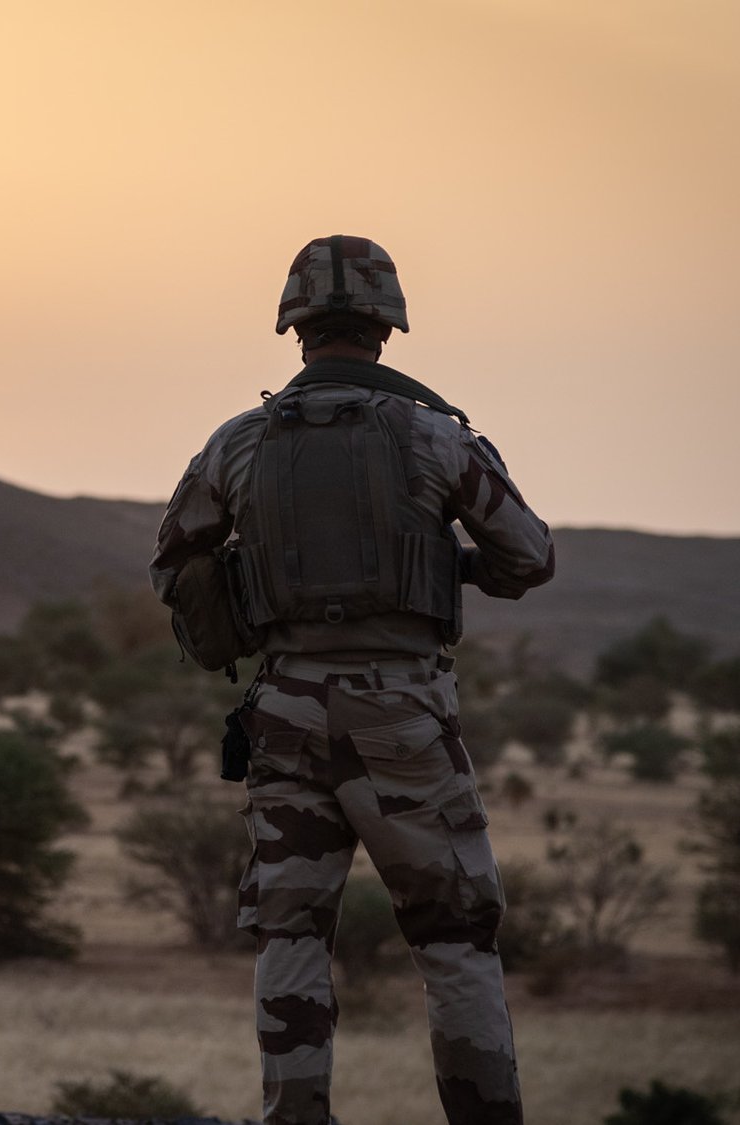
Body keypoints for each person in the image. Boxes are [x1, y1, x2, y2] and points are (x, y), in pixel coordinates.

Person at [149, 235, 554, 1125]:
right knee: (454, 941)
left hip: (284, 709)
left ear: (294, 325)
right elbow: (529, 556)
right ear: (386, 325)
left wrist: (238, 625)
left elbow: (176, 556)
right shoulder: (431, 432)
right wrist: (445, 567)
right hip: (402, 715)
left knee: (289, 933)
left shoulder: (240, 441)